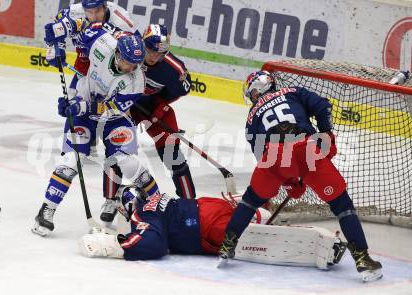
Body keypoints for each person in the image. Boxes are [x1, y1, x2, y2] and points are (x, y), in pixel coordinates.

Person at [217, 71, 382, 282]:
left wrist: (288, 181)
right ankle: (362, 259)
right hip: (307, 149)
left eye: (253, 92)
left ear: (257, 90)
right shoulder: (293, 91)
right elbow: (324, 106)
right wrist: (326, 134)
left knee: (250, 201)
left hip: (273, 156)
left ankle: (227, 245)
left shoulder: (251, 116)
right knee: (342, 205)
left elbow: (262, 155)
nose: (253, 96)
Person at [31, 23, 159, 237]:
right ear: (117, 52)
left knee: (126, 161)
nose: (131, 68)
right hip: (84, 102)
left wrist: (78, 106)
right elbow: (75, 26)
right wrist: (56, 43)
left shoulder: (136, 82)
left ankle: (158, 204)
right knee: (72, 159)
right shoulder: (101, 42)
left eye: (136, 64)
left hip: (113, 118)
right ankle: (46, 210)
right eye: (128, 62)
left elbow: (110, 110)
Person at [43, 0, 140, 223]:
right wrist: (53, 49)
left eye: (98, 10)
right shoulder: (76, 12)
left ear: (106, 7)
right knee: (73, 154)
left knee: (117, 151)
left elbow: (133, 59)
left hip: (114, 83)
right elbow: (54, 31)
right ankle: (48, 208)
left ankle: (111, 198)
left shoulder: (123, 21)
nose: (94, 15)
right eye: (90, 11)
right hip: (87, 73)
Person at [100, 24, 196, 223]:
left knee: (173, 156)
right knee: (116, 153)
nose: (153, 57)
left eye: (159, 54)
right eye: (150, 51)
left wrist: (159, 109)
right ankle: (110, 200)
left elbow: (182, 90)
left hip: (154, 107)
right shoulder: (128, 47)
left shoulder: (174, 69)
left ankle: (190, 204)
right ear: (142, 43)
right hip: (125, 106)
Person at [79, 185, 272, 260]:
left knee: (249, 237)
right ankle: (259, 210)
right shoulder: (155, 198)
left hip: (203, 224)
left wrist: (112, 245)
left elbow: (154, 244)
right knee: (245, 216)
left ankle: (262, 220)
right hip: (211, 204)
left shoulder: (142, 213)